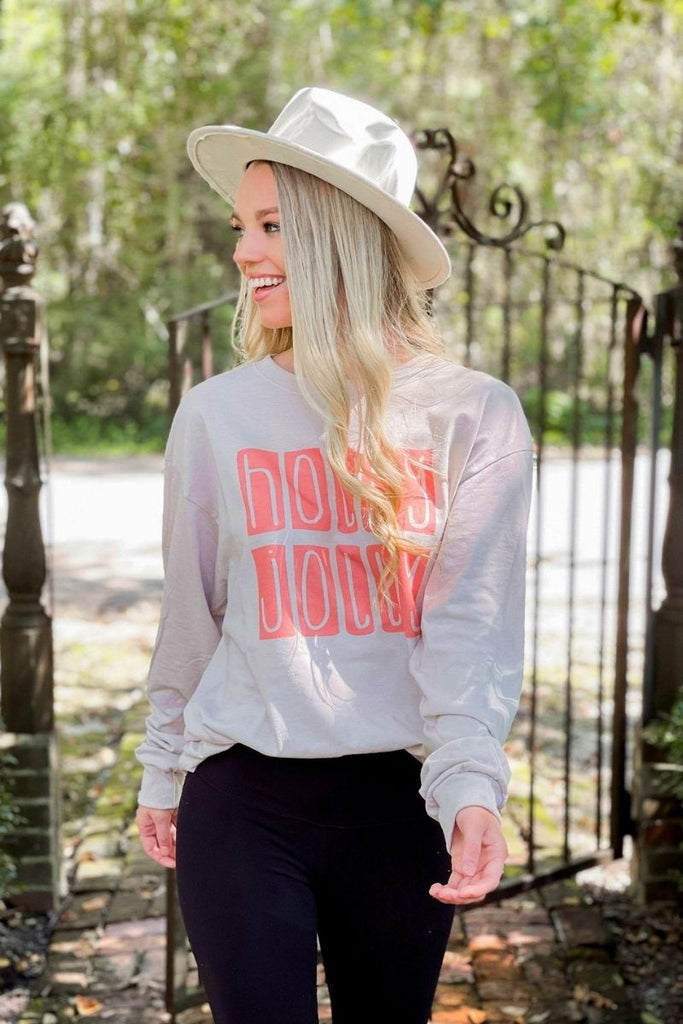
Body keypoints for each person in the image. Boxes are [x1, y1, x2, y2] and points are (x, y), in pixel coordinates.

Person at [135, 86, 534, 1024]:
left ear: (337, 233)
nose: (243, 252)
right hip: (242, 796)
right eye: (241, 226)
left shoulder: (475, 416)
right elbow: (192, 614)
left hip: (399, 806)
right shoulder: (217, 414)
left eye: (271, 225)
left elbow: (469, 633)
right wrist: (162, 766)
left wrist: (471, 788)